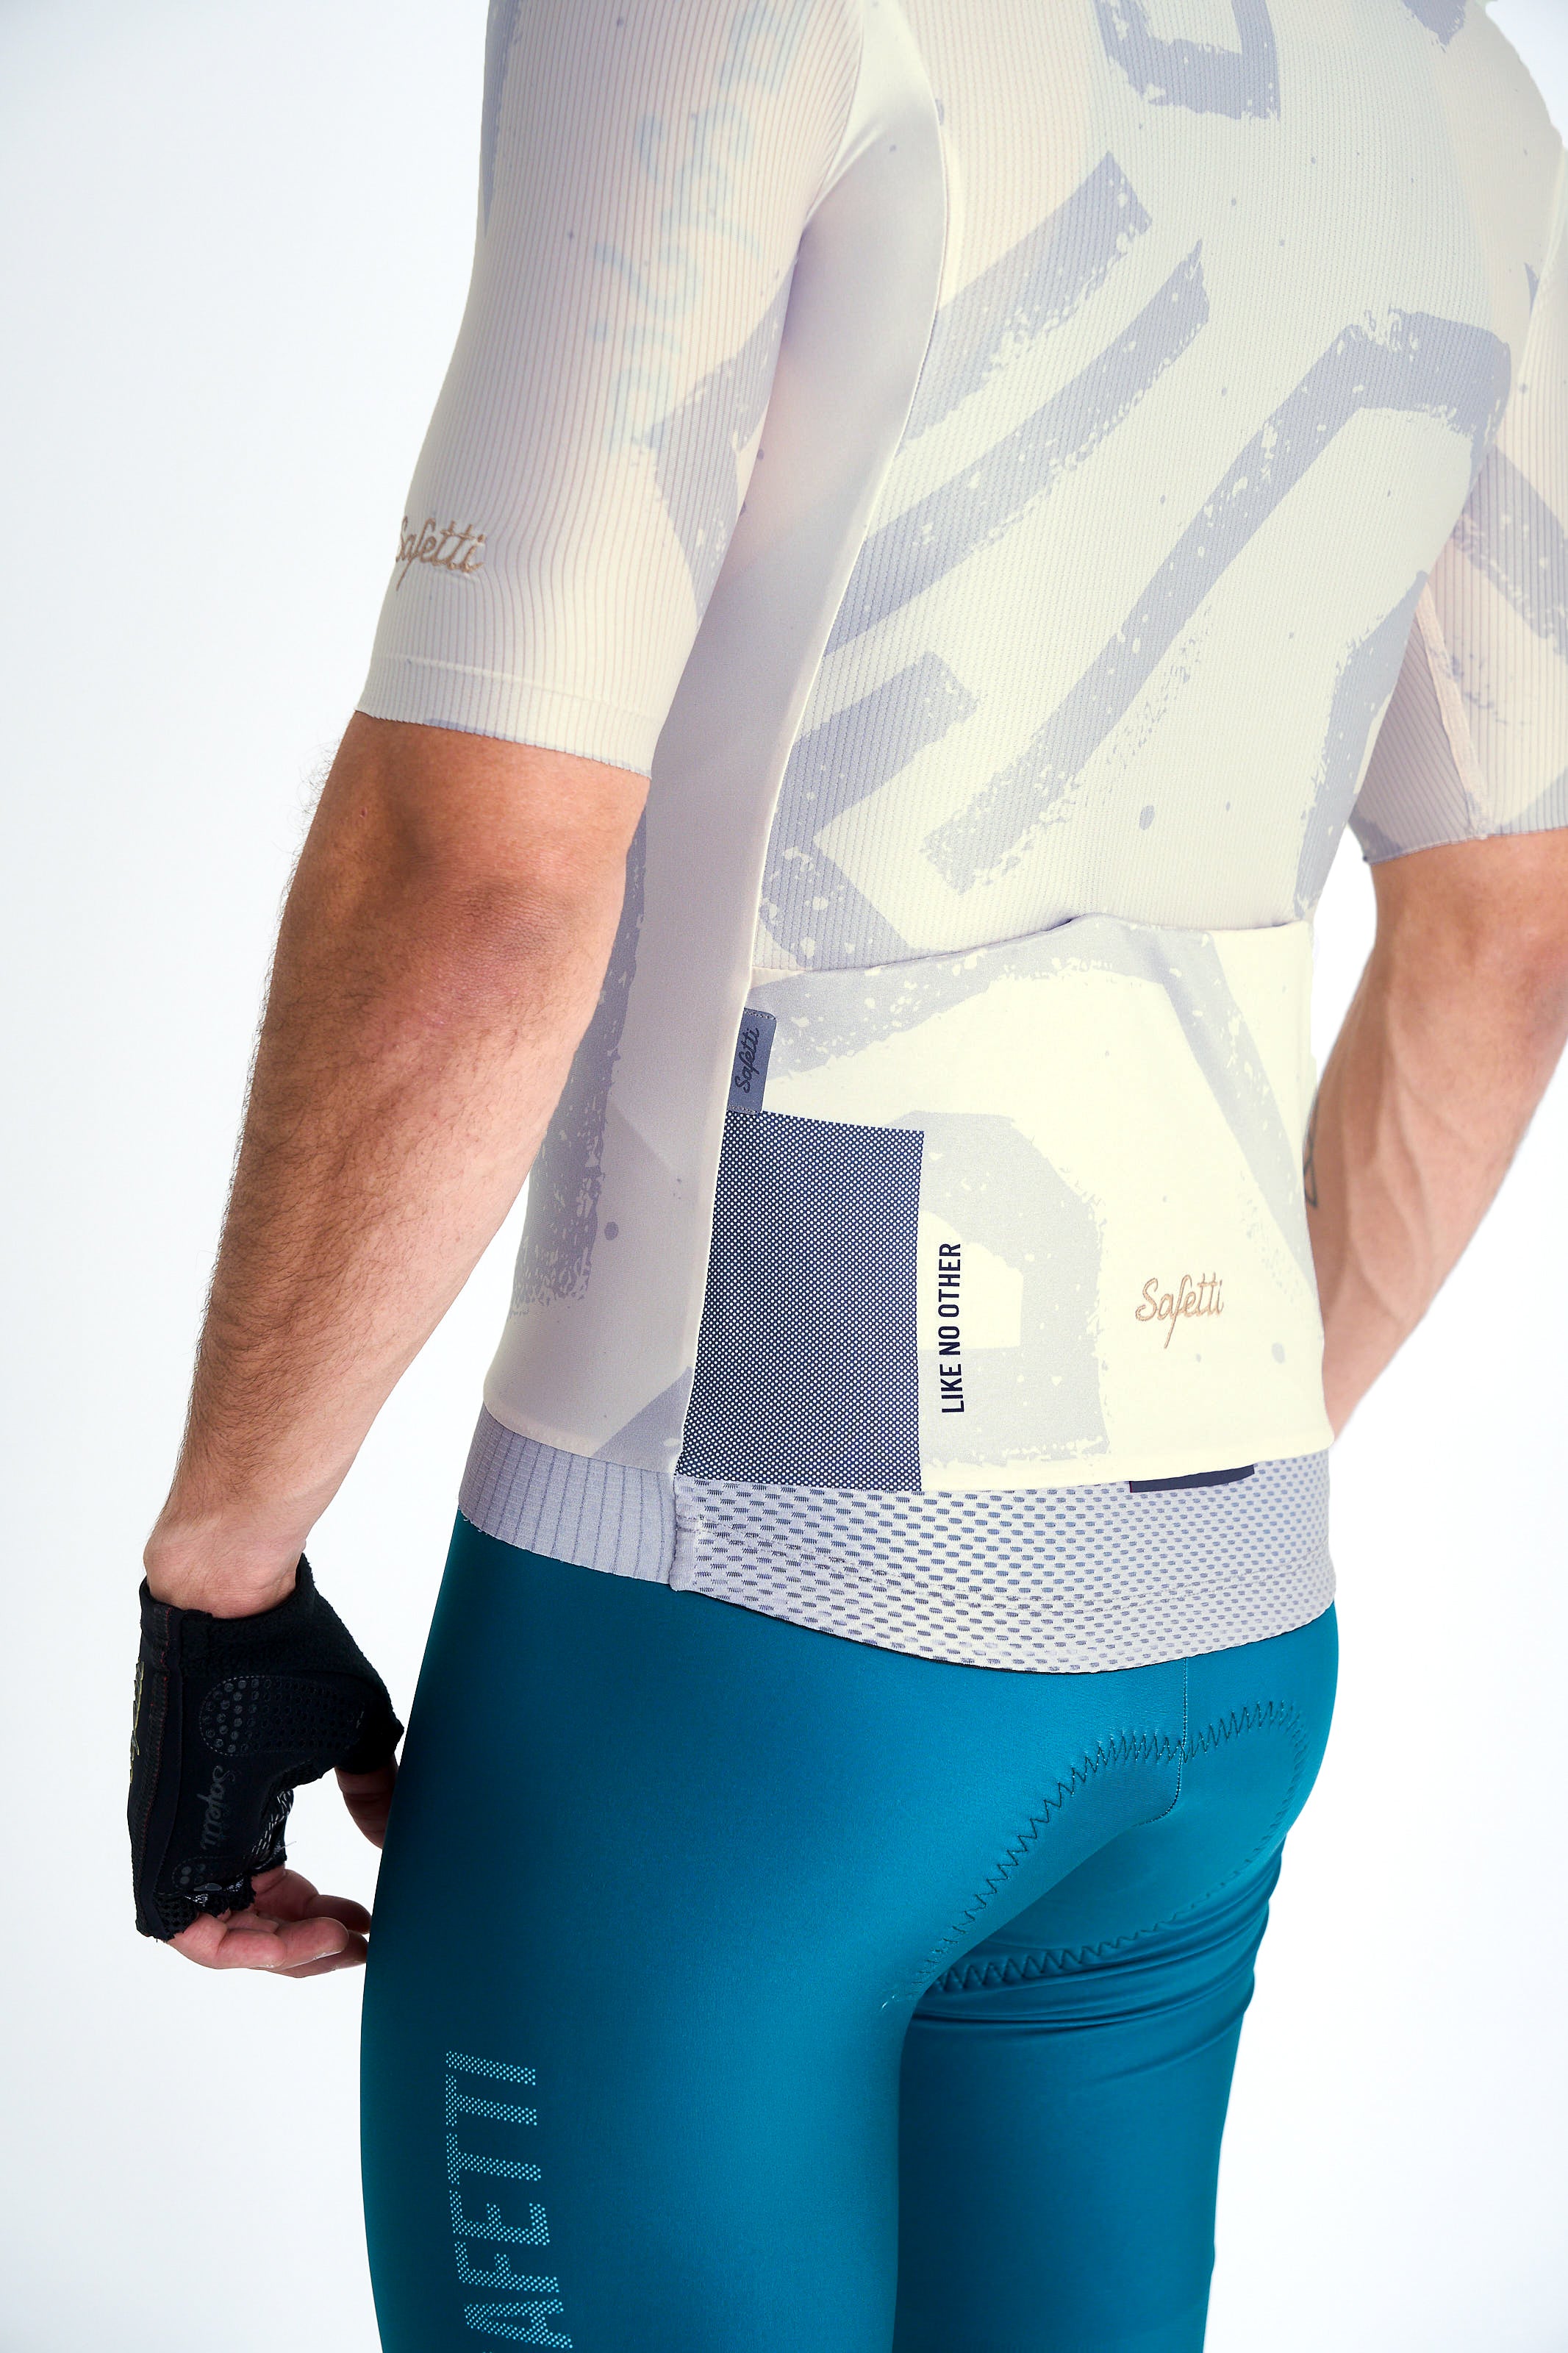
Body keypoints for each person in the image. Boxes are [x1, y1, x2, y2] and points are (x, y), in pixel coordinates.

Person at [127, 2, 1568, 2346]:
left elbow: (479, 879)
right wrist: (1135, 1481)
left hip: (738, 1626)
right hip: (1218, 1638)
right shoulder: (1464, 80)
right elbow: (1511, 936)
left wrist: (228, 1571)